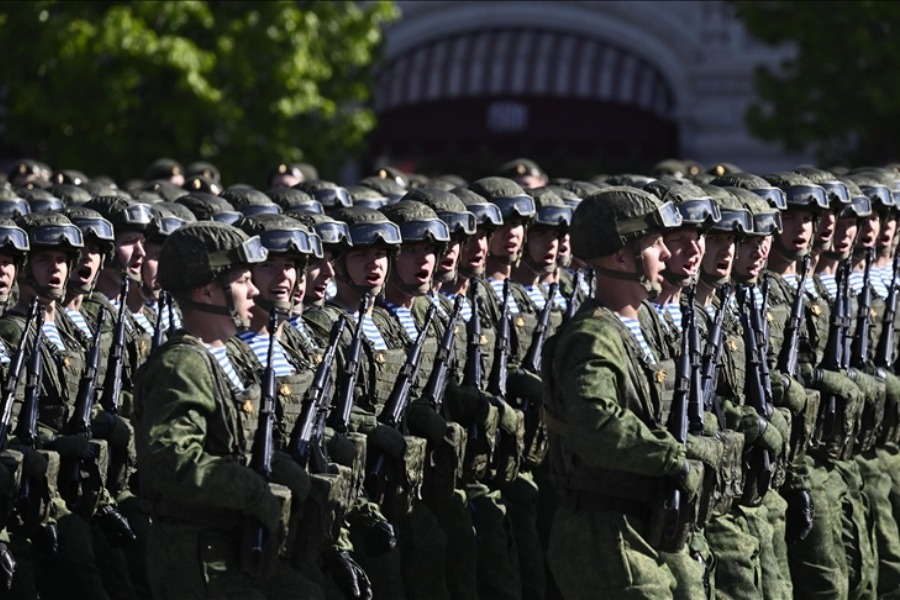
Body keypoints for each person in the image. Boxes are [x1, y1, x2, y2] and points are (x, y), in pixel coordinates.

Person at [134, 221, 318, 599]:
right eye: (241, 281)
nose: (254, 291)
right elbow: (171, 460)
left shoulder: (231, 354)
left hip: (238, 544)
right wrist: (252, 488)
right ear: (205, 290)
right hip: (202, 556)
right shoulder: (183, 364)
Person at [544, 186, 701, 599]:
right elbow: (596, 427)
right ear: (619, 256)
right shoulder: (594, 335)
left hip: (648, 523)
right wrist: (673, 457)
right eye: (654, 245)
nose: (666, 255)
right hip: (606, 533)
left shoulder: (645, 324)